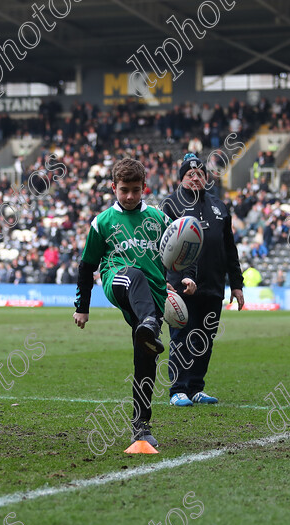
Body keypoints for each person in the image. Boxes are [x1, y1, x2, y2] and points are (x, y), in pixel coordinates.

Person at [73, 158, 196, 447]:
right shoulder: (102, 223)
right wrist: (82, 306)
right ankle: (149, 325)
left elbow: (184, 249)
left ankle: (141, 425)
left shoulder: (159, 218)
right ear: (114, 187)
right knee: (133, 274)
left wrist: (187, 277)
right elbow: (85, 265)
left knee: (145, 364)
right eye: (124, 190)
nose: (129, 196)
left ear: (145, 188)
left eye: (135, 190)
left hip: (152, 299)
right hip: (118, 282)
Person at [160, 154, 244, 407]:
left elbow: (229, 248)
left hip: (214, 286)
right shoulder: (170, 205)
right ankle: (178, 389)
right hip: (181, 286)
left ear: (206, 178)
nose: (196, 177)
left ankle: (196, 386)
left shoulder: (219, 206)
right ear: (182, 178)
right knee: (181, 337)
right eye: (190, 174)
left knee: (205, 339)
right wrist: (178, 278)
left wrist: (237, 284)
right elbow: (164, 247)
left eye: (200, 173)